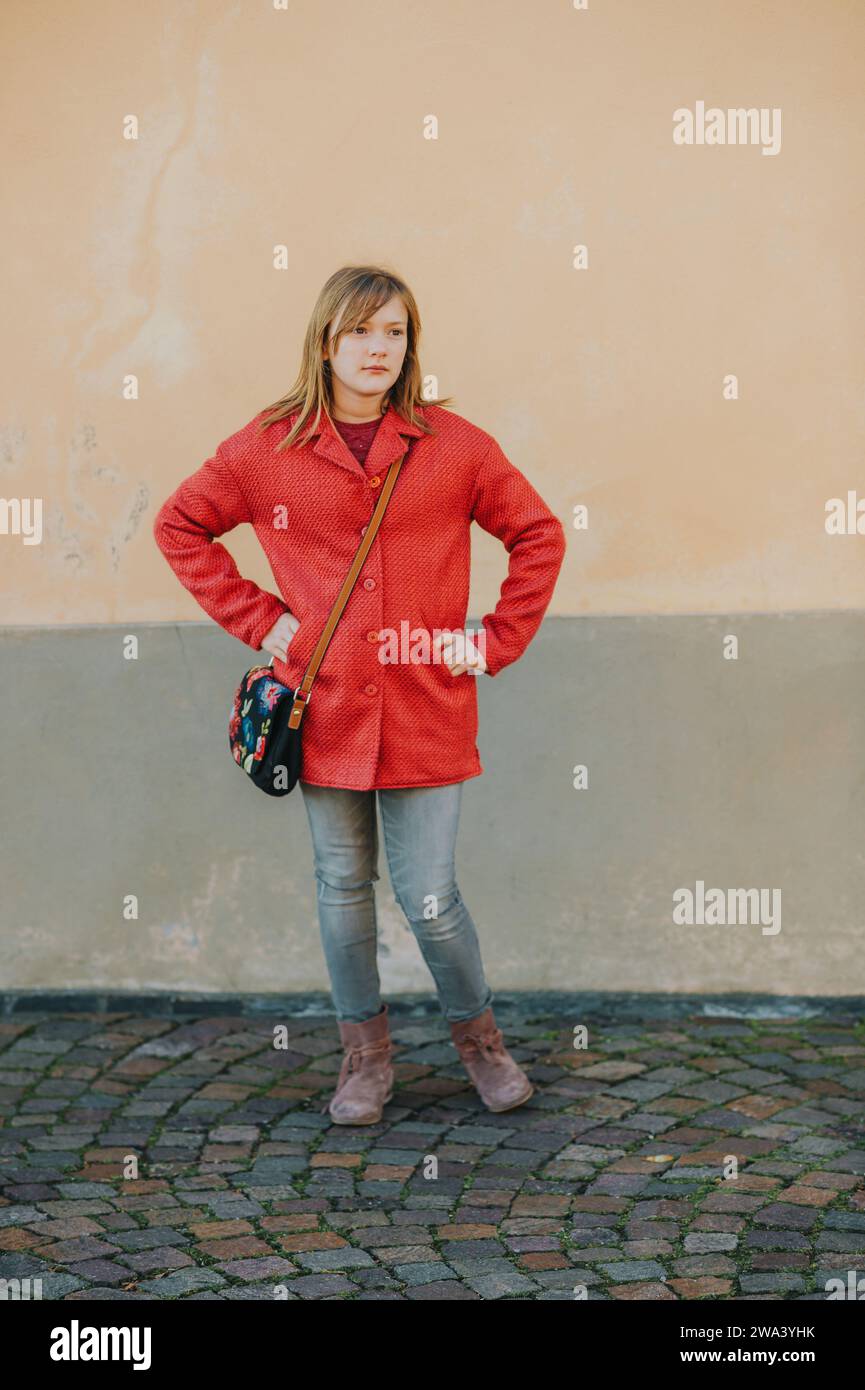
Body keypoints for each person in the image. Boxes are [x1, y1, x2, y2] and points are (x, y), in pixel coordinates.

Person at [153, 265, 566, 1126]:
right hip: (325, 702)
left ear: (411, 345)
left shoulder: (452, 445)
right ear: (325, 341)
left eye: (395, 333)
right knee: (342, 884)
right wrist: (262, 620)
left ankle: (480, 1046)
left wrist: (492, 641)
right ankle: (364, 1060)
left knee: (429, 898)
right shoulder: (266, 448)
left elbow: (536, 532)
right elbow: (179, 524)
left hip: (425, 701)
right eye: (360, 332)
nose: (378, 350)